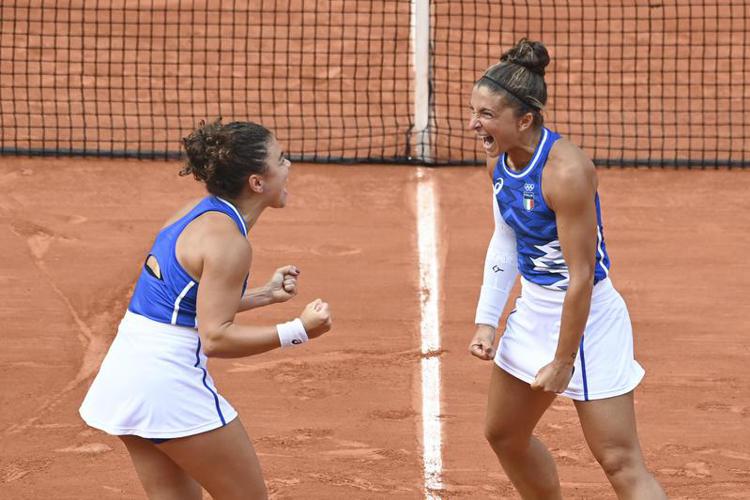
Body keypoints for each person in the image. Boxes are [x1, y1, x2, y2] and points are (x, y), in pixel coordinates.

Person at [79, 118, 332, 499]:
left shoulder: (192, 213)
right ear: (256, 182)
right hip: (167, 385)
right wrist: (298, 330)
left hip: (128, 375)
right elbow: (215, 337)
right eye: (281, 159)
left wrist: (264, 294)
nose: (289, 166)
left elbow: (181, 306)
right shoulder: (230, 243)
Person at [467, 39, 666, 499]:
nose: (474, 123)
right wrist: (486, 318)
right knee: (504, 435)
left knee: (619, 461)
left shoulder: (567, 172)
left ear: (525, 120)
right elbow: (506, 238)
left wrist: (561, 361)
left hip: (586, 319)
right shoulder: (498, 159)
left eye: (486, 115)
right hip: (535, 310)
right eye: (473, 110)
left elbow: (580, 277)